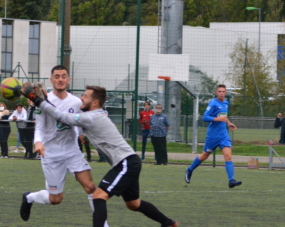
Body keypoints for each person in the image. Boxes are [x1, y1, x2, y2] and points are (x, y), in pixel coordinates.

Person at [20, 84, 178, 227]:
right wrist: (46, 99)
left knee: (98, 196)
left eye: (85, 96)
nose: (82, 98)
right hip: (129, 162)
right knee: (133, 204)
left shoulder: (91, 117)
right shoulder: (94, 113)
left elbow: (63, 117)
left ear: (95, 103)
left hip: (126, 163)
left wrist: (37, 99)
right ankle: (168, 223)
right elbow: (62, 112)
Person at [19, 66, 105, 226]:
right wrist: (37, 142)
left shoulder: (76, 102)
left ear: (68, 79)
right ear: (51, 80)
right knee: (55, 199)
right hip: (51, 154)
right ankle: (29, 197)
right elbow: (40, 127)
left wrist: (80, 134)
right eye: (57, 76)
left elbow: (78, 120)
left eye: (63, 76)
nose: (60, 79)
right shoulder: (43, 100)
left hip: (72, 152)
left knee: (91, 187)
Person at [185, 84, 242, 188]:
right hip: (212, 136)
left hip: (223, 135)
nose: (221, 93)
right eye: (219, 91)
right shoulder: (213, 103)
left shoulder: (226, 103)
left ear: (226, 93)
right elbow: (205, 117)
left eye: (223, 91)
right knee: (204, 156)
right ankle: (189, 169)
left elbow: (223, 116)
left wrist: (228, 123)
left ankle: (231, 180)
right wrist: (217, 119)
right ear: (216, 93)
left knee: (228, 156)